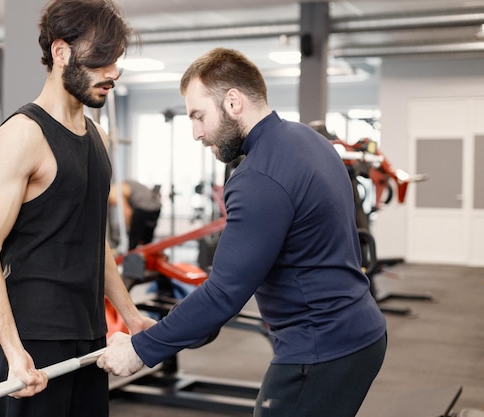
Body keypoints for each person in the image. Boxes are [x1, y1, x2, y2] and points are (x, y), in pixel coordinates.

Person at [97, 48, 387, 417]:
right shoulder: (309, 140)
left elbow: (224, 293)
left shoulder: (256, 178)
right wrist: (178, 330)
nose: (196, 133)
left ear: (233, 102)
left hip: (320, 351)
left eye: (199, 116)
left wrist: (141, 349)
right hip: (360, 332)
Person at [0, 1, 155, 416]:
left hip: (89, 333)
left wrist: (130, 315)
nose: (114, 72)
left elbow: (93, 241)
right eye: (102, 59)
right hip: (32, 340)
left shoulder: (97, 137)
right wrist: (14, 351)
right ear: (61, 52)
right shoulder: (20, 136)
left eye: (116, 59)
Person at [108, 179, 162, 250]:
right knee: (147, 241)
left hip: (144, 207)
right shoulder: (123, 184)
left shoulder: (112, 193)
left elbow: (127, 212)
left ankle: (132, 256)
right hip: (156, 207)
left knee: (133, 241)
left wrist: (131, 230)